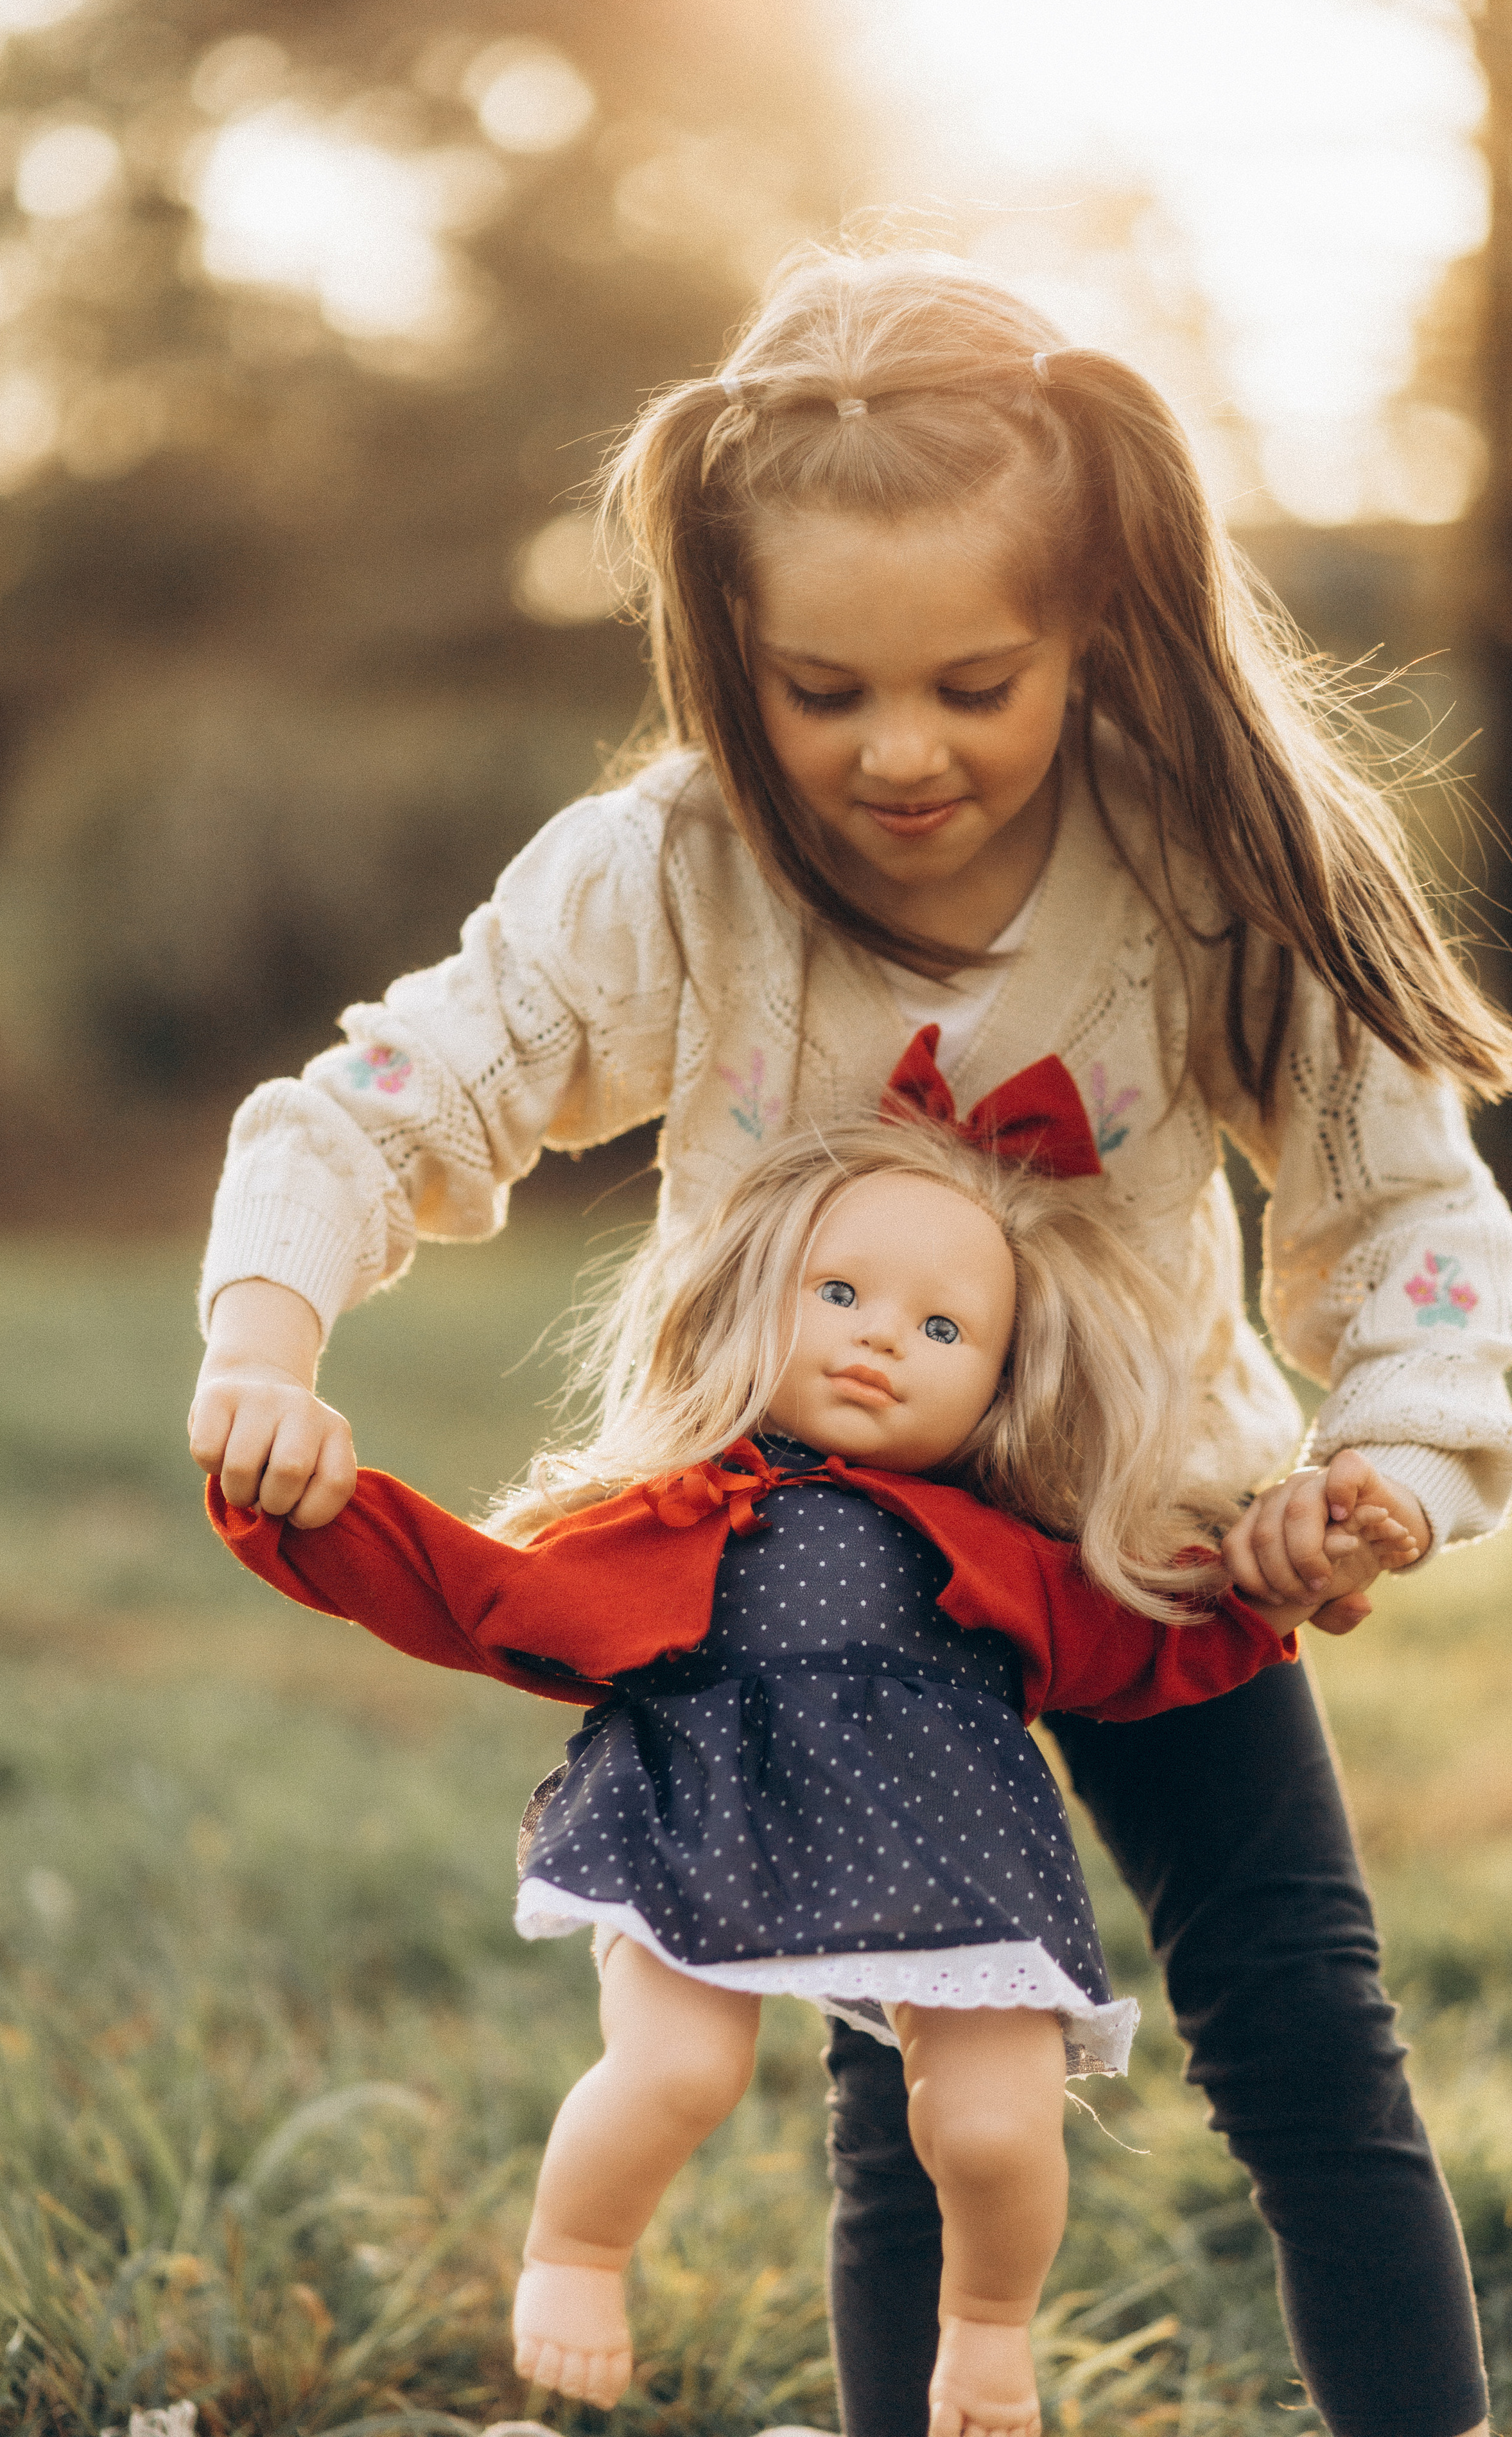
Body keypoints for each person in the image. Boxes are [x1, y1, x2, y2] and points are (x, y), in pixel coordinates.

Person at [188, 245, 1512, 2437]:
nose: (903, 754)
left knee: (1304, 2031)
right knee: (917, 2088)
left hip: (1158, 1544)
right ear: (728, 648)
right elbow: (382, 1103)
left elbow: (1405, 1215)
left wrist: (1372, 1477)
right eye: (826, 692)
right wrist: (264, 1336)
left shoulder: (1214, 870)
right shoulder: (668, 878)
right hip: (815, 1597)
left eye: (976, 685)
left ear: (1092, 621)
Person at [209, 1112, 1417, 2435]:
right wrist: (301, 1500)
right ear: (751, 1303)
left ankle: (987, 2329)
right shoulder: (680, 1515)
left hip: (950, 1866)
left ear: (1004, 1385)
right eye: (837, 1293)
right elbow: (477, 1593)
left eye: (942, 1330)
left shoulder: (1013, 1561)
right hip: (699, 1829)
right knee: (674, 2072)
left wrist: (1277, 1583)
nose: (881, 1335)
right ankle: (575, 2256)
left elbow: (1154, 1645)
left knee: (1002, 2129)